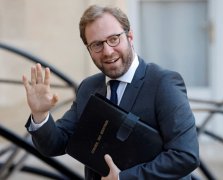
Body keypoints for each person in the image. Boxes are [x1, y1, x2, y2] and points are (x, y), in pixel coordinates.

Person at [22, 4, 200, 180]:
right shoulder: (88, 88)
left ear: (130, 37)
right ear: (89, 50)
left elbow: (185, 155)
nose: (107, 51)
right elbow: (56, 145)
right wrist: (40, 115)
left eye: (114, 39)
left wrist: (123, 178)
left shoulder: (163, 83)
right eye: (97, 45)